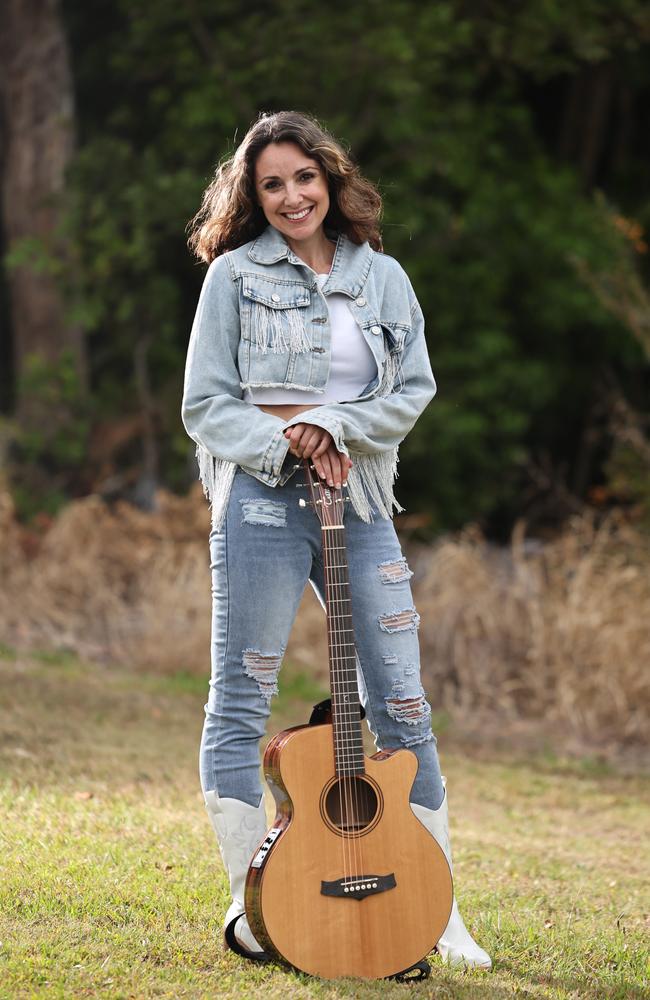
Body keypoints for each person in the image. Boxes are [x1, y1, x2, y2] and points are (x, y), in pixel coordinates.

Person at [181, 110, 491, 971]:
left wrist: (329, 424)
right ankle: (258, 900)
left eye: (303, 178)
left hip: (359, 499)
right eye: (271, 184)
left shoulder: (382, 276)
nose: (290, 196)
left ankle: (438, 910)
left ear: (330, 178)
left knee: (404, 704)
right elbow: (205, 404)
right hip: (260, 501)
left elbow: (414, 388)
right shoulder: (233, 279)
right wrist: (287, 441)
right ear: (252, 195)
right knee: (241, 696)